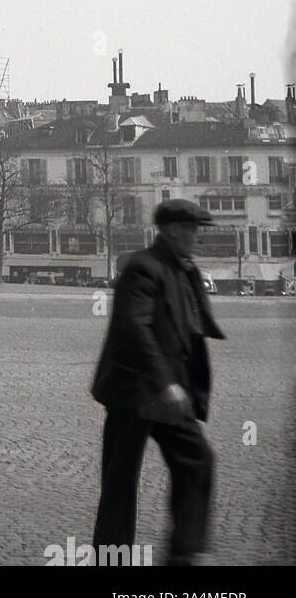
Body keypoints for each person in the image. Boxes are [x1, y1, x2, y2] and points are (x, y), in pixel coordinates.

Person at [91, 199, 224, 565]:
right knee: (120, 481)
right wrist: (166, 383)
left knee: (198, 459)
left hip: (170, 392)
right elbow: (135, 327)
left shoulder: (183, 269)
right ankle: (111, 559)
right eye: (192, 229)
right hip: (134, 390)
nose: (197, 236)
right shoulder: (143, 268)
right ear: (173, 230)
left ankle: (186, 550)